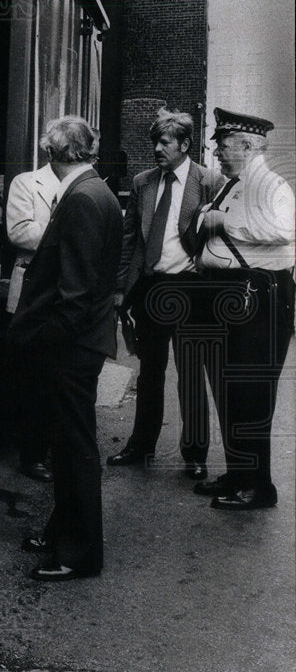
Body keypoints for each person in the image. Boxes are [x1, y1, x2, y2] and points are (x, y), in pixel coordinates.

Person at [8, 116, 123, 581]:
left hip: (71, 346)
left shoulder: (80, 199)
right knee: (67, 442)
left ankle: (79, 554)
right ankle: (62, 534)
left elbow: (73, 293)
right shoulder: (96, 191)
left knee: (75, 449)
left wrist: (40, 339)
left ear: (56, 153)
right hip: (81, 341)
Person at [190, 108, 295, 510]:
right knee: (232, 391)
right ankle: (239, 473)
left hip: (261, 300)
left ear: (248, 145)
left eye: (224, 142)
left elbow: (285, 230)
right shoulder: (234, 185)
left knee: (252, 393)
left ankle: (259, 486)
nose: (217, 150)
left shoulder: (271, 185)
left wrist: (226, 225)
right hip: (234, 296)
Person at [107, 109, 213, 481]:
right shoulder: (142, 182)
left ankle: (195, 453)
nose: (157, 148)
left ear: (184, 144)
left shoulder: (208, 181)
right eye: (155, 141)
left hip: (191, 288)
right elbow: (128, 238)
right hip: (150, 287)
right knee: (150, 371)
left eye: (164, 142)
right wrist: (121, 287)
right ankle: (141, 444)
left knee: (191, 373)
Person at [4, 154, 62, 483]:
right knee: (33, 376)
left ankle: (53, 448)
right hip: (31, 287)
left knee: (57, 373)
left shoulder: (83, 184)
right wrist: (68, 233)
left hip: (64, 290)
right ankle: (32, 455)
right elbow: (21, 232)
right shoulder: (26, 182)